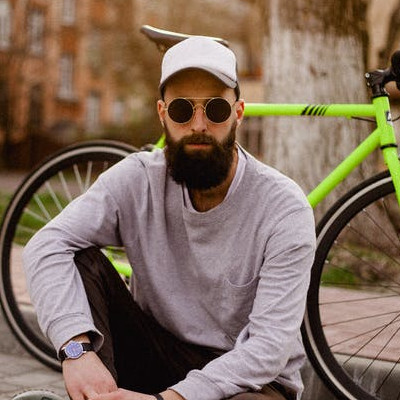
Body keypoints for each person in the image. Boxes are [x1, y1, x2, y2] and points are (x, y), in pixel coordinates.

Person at [23, 36, 316, 400]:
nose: (198, 124)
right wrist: (76, 349)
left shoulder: (284, 208)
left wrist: (170, 399)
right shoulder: (138, 179)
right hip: (157, 354)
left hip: (247, 383)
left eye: (216, 109)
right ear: (162, 113)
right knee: (80, 257)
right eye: (181, 110)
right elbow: (46, 245)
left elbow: (267, 349)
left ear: (238, 113)